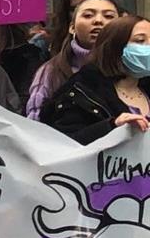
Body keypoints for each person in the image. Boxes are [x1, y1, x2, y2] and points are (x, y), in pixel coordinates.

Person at [40, 13, 150, 143]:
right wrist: (112, 126)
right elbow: (63, 144)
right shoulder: (81, 95)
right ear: (114, 47)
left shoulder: (145, 89)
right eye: (140, 41)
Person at [29, 0, 118, 120]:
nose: (98, 21)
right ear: (72, 27)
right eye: (88, 15)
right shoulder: (51, 72)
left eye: (109, 16)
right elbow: (36, 126)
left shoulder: (133, 69)